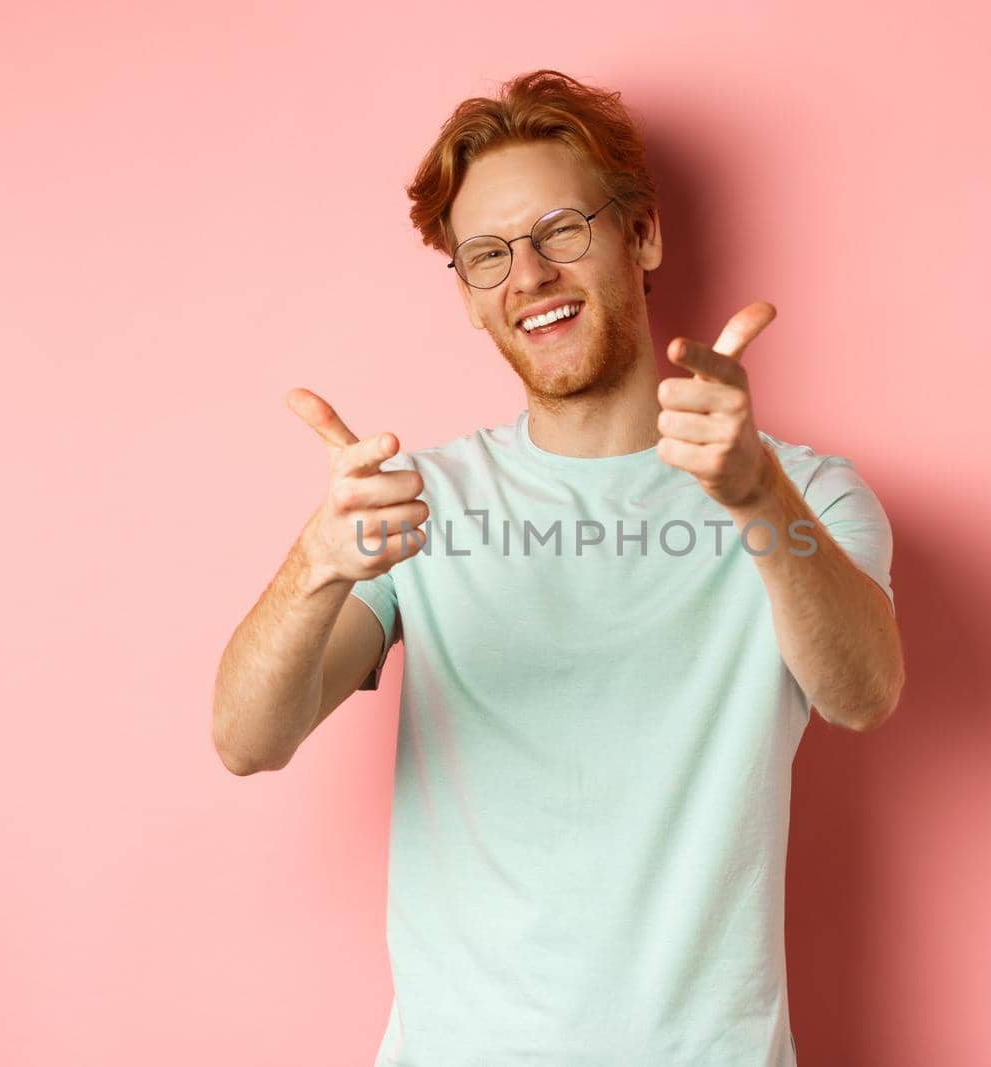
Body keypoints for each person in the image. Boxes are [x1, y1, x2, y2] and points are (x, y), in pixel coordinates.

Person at [211, 69, 906, 1067]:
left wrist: (757, 499)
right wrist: (315, 567)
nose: (526, 274)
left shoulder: (803, 496)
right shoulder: (418, 502)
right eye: (486, 253)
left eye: (560, 230)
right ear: (465, 293)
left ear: (645, 236)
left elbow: (862, 692)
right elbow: (246, 738)